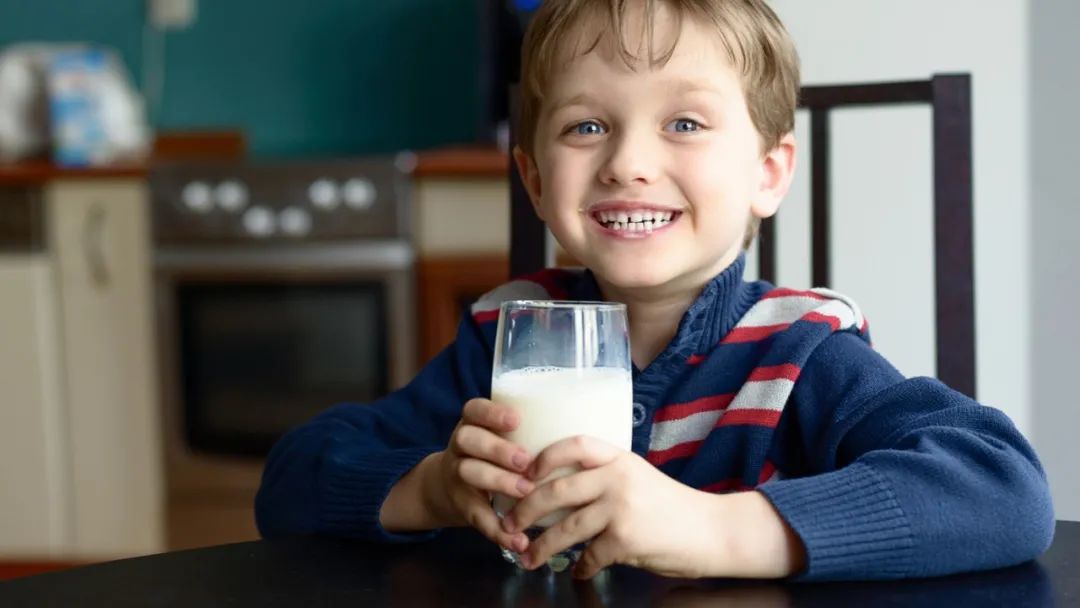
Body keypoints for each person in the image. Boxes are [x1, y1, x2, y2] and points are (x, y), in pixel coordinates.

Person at [255, 0, 1054, 581]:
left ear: (768, 174)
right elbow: (291, 482)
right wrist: (433, 486)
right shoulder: (507, 338)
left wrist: (709, 528)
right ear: (534, 179)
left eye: (685, 124)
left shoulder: (797, 350)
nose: (628, 162)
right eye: (586, 127)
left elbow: (1003, 488)